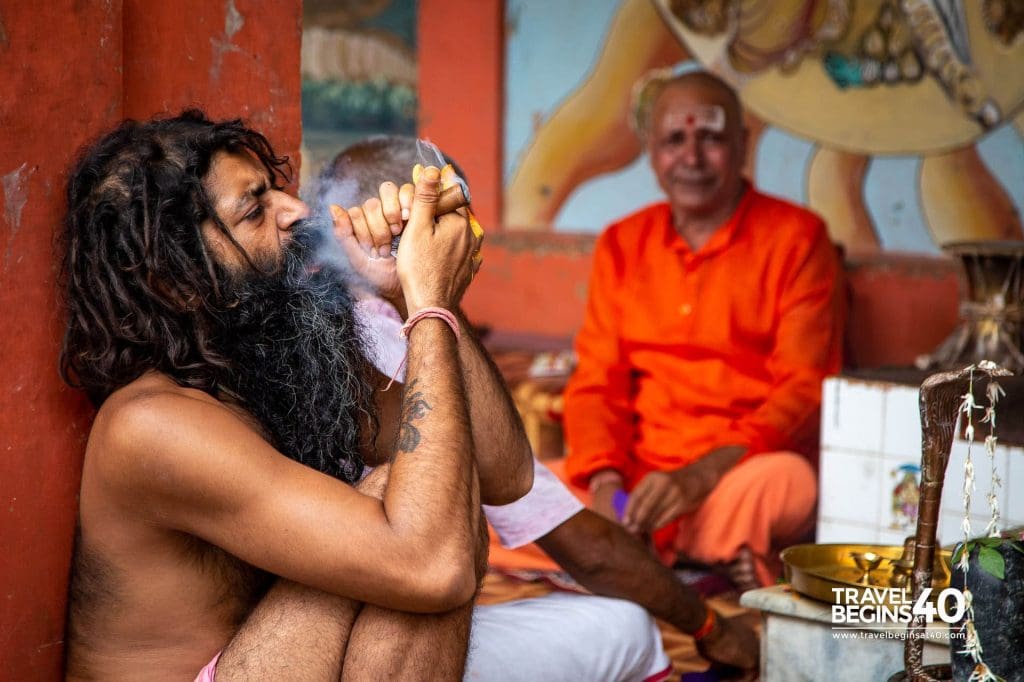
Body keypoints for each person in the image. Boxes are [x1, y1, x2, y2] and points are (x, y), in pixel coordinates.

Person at [60, 109, 535, 681]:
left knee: (432, 486)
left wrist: (422, 298)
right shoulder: (152, 425)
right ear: (177, 280)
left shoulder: (278, 365)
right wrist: (431, 304)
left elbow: (503, 473)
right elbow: (431, 566)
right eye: (255, 209)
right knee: (411, 512)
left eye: (277, 190)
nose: (299, 211)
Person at [313, 135, 760, 677]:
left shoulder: (312, 307)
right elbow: (571, 535)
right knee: (627, 626)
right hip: (368, 644)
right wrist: (710, 627)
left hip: (330, 628)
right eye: (459, 225)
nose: (469, 246)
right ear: (416, 224)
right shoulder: (389, 335)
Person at [562, 69, 845, 589]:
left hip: (735, 476)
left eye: (710, 138)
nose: (691, 159)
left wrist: (702, 475)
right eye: (674, 140)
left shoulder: (798, 239)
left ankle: (622, 559)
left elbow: (803, 390)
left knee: (788, 485)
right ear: (652, 152)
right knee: (519, 496)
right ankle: (676, 557)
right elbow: (596, 381)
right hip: (636, 480)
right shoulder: (622, 244)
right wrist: (607, 484)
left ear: (742, 145)